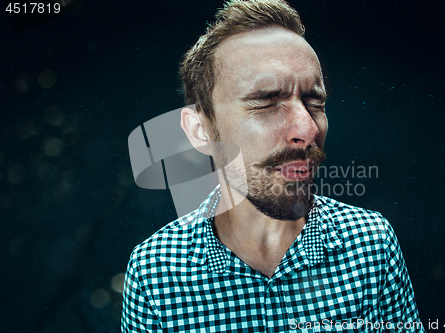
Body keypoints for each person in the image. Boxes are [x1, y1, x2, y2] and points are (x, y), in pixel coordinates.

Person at [122, 0, 425, 332]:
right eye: (266, 101)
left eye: (314, 102)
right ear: (200, 129)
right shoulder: (155, 272)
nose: (308, 130)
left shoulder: (370, 245)